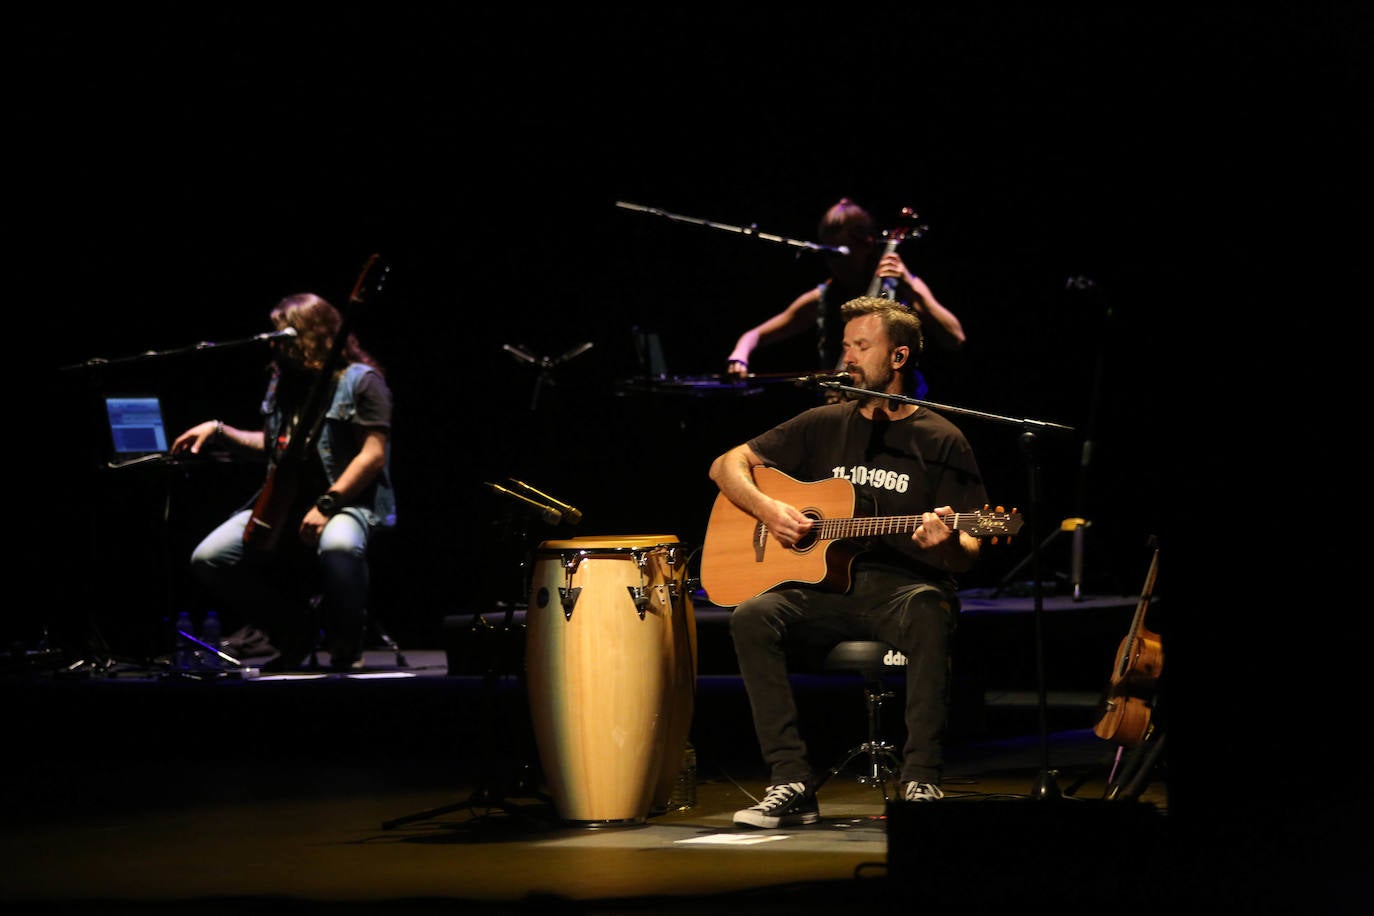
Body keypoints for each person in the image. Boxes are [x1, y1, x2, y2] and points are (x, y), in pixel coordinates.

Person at [708, 296, 988, 826]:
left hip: (903, 589)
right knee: (752, 616)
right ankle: (790, 779)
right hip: (824, 589)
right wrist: (769, 510)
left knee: (932, 609)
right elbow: (727, 464)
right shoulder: (821, 422)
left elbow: (971, 549)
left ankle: (921, 779)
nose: (848, 358)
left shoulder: (941, 438)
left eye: (862, 346)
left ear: (899, 356)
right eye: (846, 346)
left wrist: (947, 543)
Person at [171, 292, 397, 672]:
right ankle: (293, 628)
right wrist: (219, 430)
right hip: (283, 504)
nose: (274, 342)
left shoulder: (362, 381)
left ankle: (346, 643)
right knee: (209, 558)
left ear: (310, 333)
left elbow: (372, 454)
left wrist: (327, 504)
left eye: (282, 333)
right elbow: (276, 448)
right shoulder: (283, 384)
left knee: (340, 545)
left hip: (347, 501)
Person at [724, 197, 965, 399]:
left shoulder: (898, 283)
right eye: (829, 254)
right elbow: (755, 335)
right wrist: (740, 354)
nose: (834, 264)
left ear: (867, 243)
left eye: (841, 253)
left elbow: (955, 337)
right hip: (842, 409)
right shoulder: (824, 296)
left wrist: (910, 286)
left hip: (898, 409)